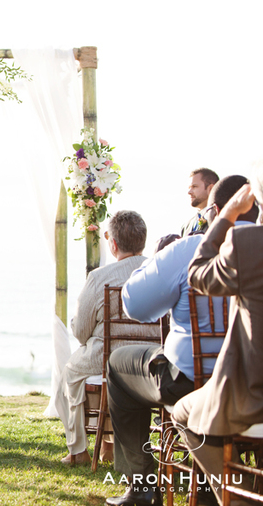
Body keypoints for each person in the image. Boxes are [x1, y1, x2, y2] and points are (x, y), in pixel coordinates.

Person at [104, 176, 257, 506]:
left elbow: (136, 305)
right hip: (251, 380)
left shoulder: (188, 250)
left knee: (117, 365)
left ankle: (143, 486)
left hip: (190, 380)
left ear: (214, 211)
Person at [172, 170, 263, 506]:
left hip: (252, 395)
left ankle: (241, 499)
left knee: (183, 411)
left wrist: (226, 216)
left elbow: (197, 274)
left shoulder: (249, 244)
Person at [54, 210, 157, 466]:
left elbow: (80, 332)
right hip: (151, 358)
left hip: (106, 358)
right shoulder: (158, 272)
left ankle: (79, 451)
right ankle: (109, 445)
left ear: (112, 244)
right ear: (143, 240)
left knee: (68, 375)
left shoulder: (99, 277)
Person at [180, 168, 219, 237]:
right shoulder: (186, 227)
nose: (189, 192)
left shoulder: (220, 218)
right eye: (189, 188)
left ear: (210, 188)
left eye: (194, 187)